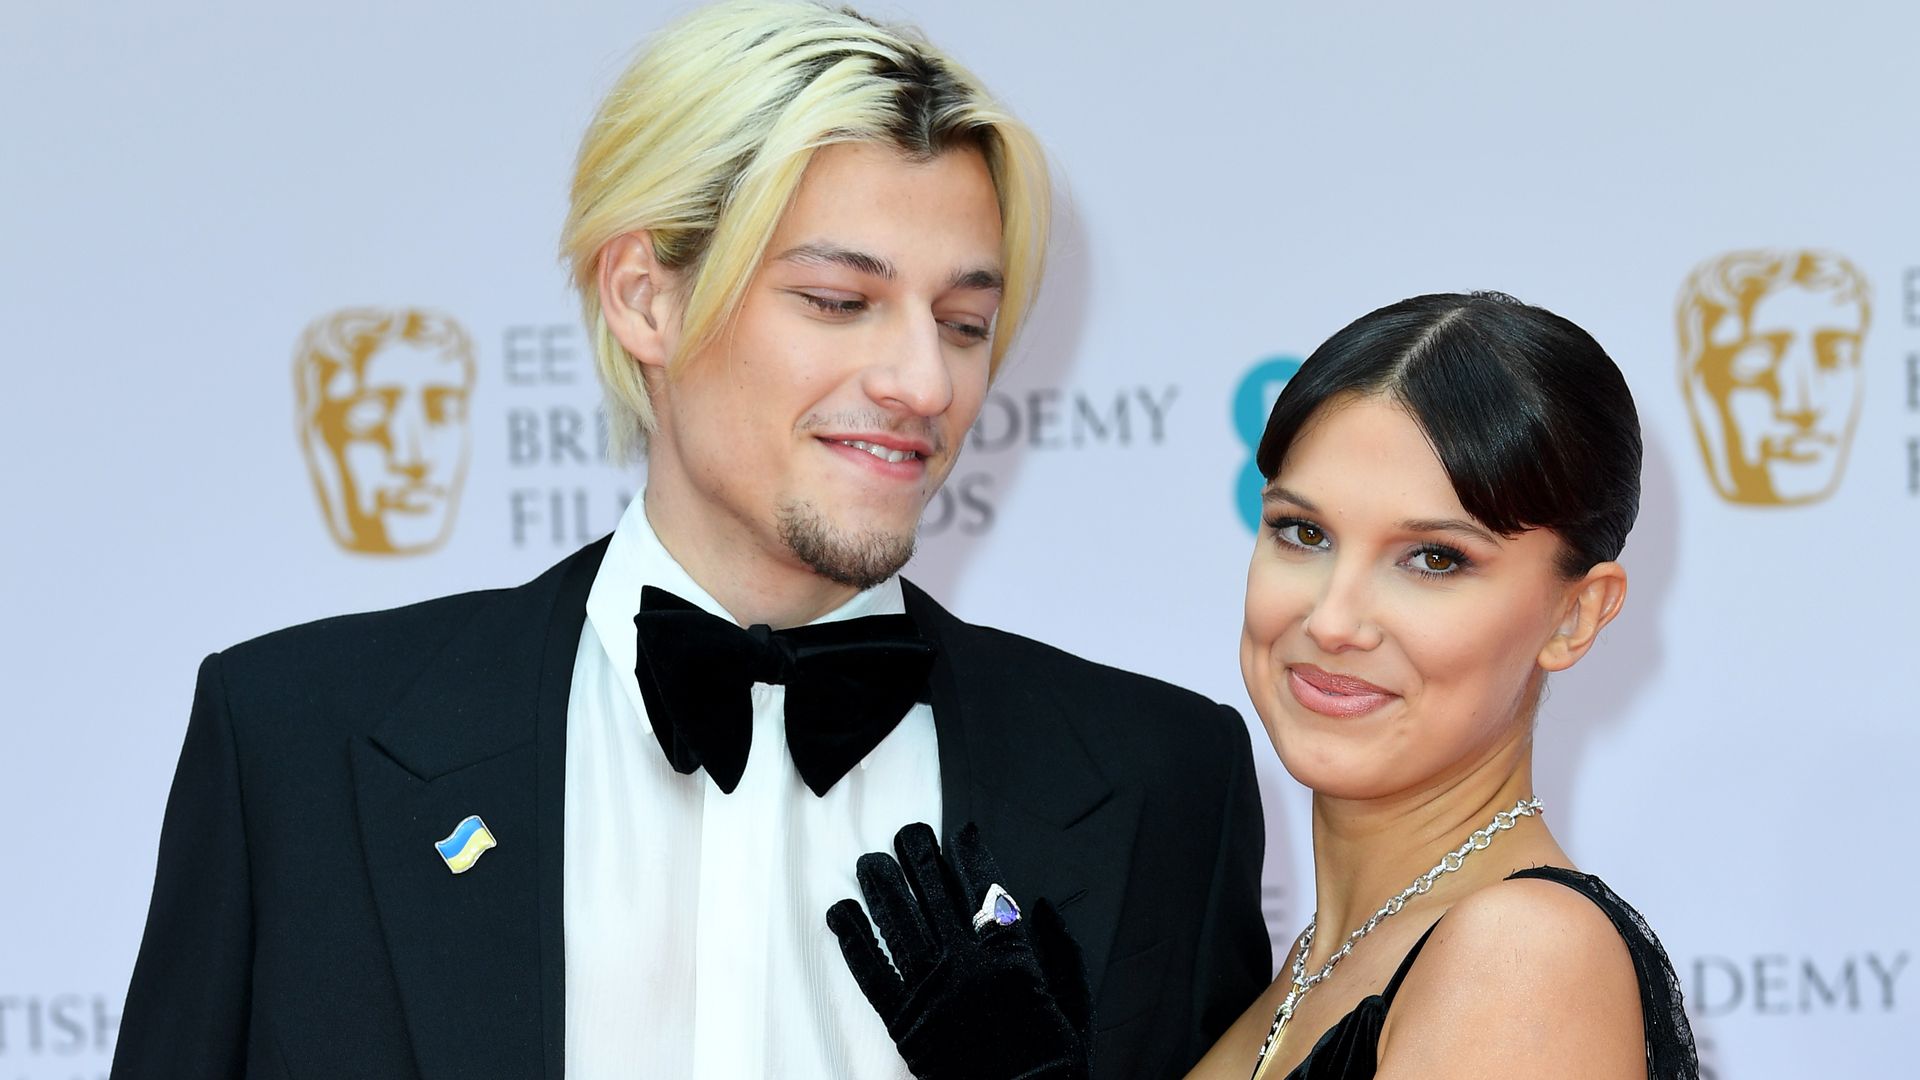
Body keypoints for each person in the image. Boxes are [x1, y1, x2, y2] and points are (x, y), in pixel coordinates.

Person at [108, 3, 1268, 1078]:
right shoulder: (295, 747)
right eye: (838, 299)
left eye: (963, 323)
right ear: (645, 299)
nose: (925, 382)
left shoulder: (1164, 783)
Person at [834, 292, 1698, 1080]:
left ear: (1576, 616)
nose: (1333, 619)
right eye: (1302, 532)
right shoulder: (1307, 972)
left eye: (1434, 559)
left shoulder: (1521, 956)